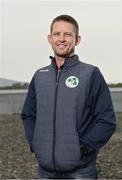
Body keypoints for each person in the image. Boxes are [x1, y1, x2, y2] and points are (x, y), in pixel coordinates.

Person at [21, 15, 116, 179]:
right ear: (49, 39)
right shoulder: (39, 76)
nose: (62, 39)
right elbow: (28, 115)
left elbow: (106, 120)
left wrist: (84, 147)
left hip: (81, 171)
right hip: (45, 171)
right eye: (57, 34)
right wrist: (36, 143)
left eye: (68, 34)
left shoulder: (91, 74)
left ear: (77, 39)